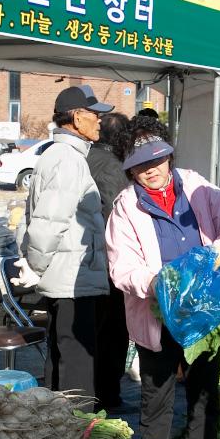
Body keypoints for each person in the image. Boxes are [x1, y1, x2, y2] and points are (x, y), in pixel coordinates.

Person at [105, 136, 220, 439]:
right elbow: (121, 268)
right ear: (130, 171)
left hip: (204, 314)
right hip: (157, 318)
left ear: (170, 157)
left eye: (156, 160)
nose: (150, 170)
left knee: (203, 399)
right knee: (157, 403)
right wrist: (156, 284)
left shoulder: (199, 188)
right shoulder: (126, 207)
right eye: (139, 165)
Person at [17, 85, 112, 397]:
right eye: (94, 114)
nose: (100, 120)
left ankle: (57, 431)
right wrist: (37, 265)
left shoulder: (59, 154)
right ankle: (79, 436)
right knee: (76, 366)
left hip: (69, 276)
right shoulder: (68, 160)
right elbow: (48, 221)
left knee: (62, 358)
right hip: (72, 279)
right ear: (76, 117)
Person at [87, 111, 132, 411]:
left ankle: (96, 391)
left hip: (87, 258)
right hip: (108, 260)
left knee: (94, 330)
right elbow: (120, 214)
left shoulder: (86, 157)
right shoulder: (114, 168)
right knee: (113, 332)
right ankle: (108, 395)